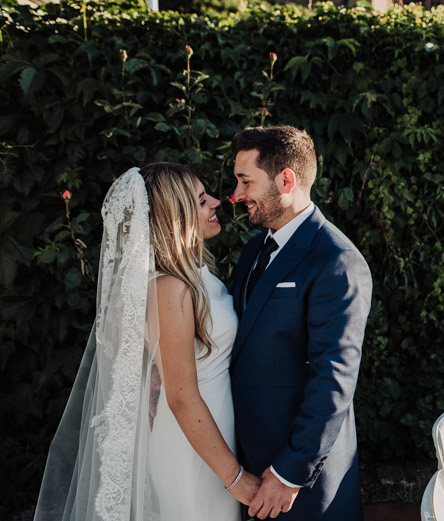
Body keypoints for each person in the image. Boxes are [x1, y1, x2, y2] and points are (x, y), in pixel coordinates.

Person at [34, 163, 259, 521]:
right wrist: (235, 479)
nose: (217, 202)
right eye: (202, 200)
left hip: (215, 433)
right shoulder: (169, 286)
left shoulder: (195, 274)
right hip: (192, 449)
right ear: (176, 215)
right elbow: (182, 397)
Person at [230, 126, 372, 521]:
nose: (237, 195)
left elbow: (334, 378)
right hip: (246, 468)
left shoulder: (337, 260)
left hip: (300, 483)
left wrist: (290, 472)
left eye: (245, 181)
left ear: (285, 179)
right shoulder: (254, 249)